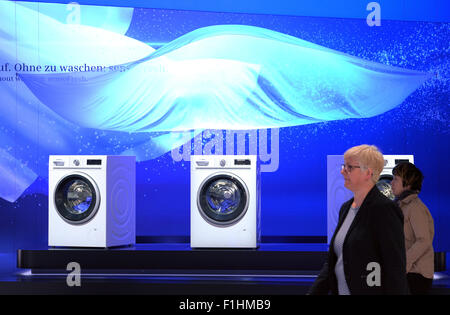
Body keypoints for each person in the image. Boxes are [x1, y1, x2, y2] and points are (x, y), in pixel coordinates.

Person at [308, 145, 408, 295]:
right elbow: (335, 261)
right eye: (344, 166)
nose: (342, 171)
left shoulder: (384, 210)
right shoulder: (346, 208)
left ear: (368, 173)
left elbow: (394, 269)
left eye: (349, 167)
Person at [391, 162, 434, 295]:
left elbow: (424, 241)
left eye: (396, 179)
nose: (391, 183)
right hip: (409, 272)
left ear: (408, 184)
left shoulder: (415, 207)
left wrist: (404, 263)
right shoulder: (402, 206)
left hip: (416, 275)